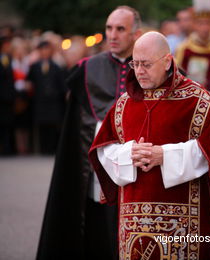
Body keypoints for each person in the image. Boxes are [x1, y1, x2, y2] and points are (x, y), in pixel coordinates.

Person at [88, 31, 210, 259]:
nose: (139, 71)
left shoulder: (198, 101)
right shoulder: (124, 104)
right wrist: (128, 153)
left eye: (146, 64)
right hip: (133, 223)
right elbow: (103, 149)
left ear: (167, 61)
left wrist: (165, 156)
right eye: (135, 64)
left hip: (185, 223)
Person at [36, 6, 142, 260]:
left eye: (120, 29)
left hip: (139, 171)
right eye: (109, 28)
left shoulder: (151, 67)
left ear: (135, 34)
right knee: (95, 231)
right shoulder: (87, 69)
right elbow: (75, 129)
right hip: (94, 172)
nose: (112, 35)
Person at [175, 2, 210, 90]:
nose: (205, 28)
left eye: (208, 23)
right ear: (194, 24)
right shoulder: (184, 48)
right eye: (200, 23)